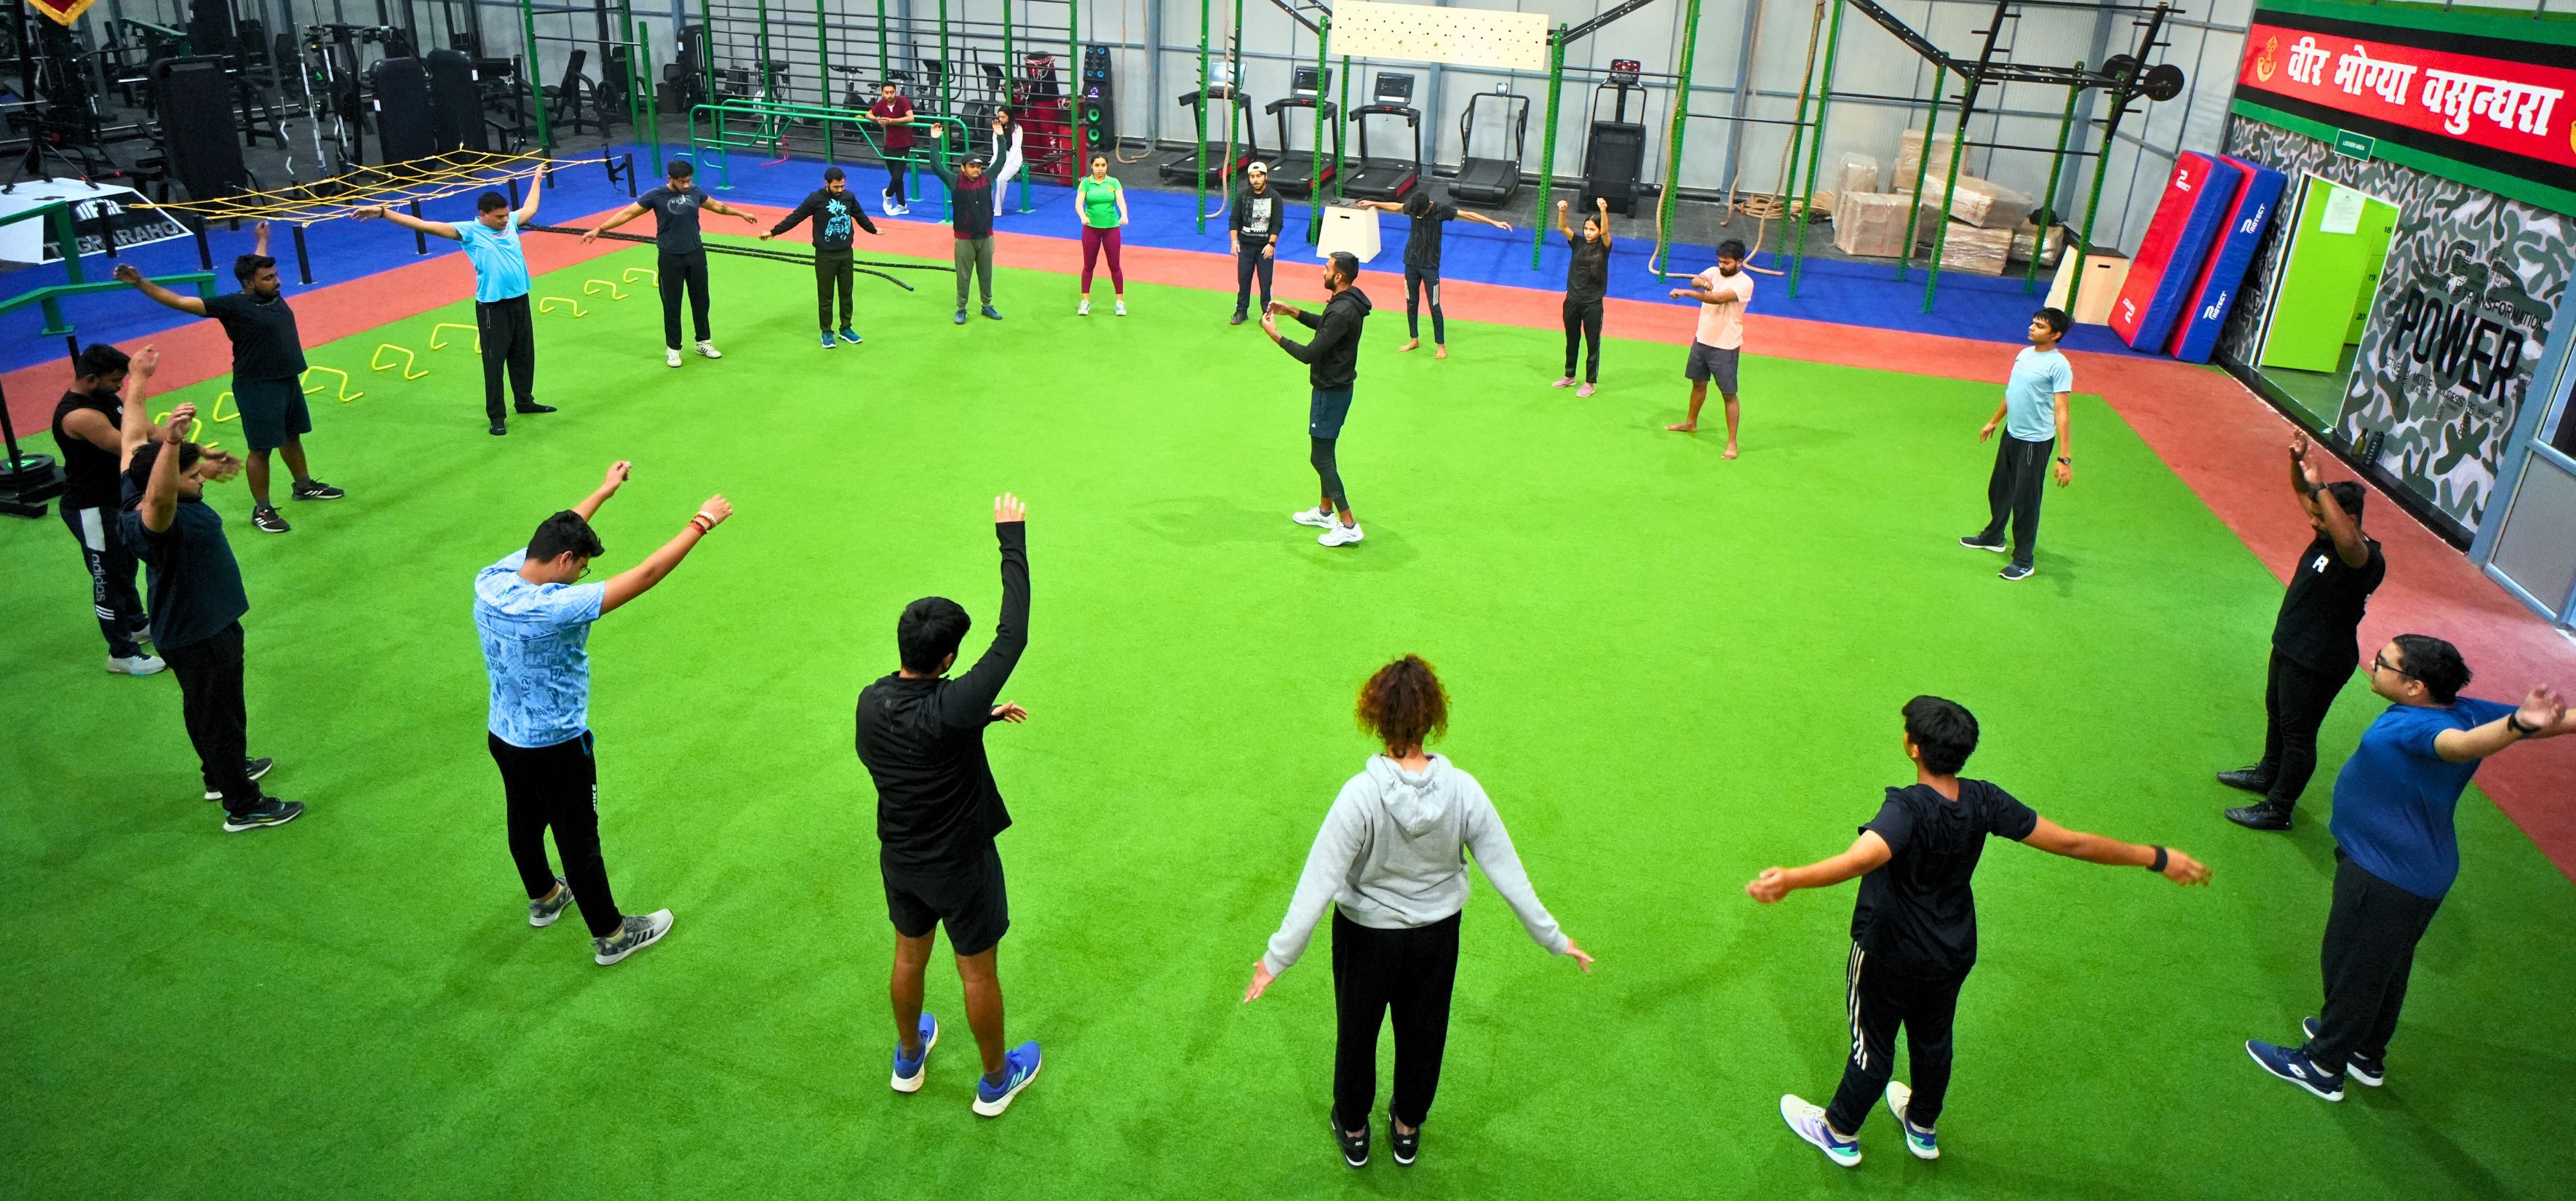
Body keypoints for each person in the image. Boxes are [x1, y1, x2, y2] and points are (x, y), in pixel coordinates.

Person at [1748, 695, 2210, 1168]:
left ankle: (1839, 1131)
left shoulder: (1906, 809)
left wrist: (1792, 879)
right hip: (1951, 951)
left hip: (1889, 952)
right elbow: (2072, 843)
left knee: (1873, 1045)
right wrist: (2157, 857)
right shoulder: (1985, 800)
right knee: (1933, 1040)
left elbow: (1858, 860)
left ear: (1913, 748)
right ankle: (1922, 1126)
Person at [1243, 654, 1594, 1170]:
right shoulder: (1464, 791)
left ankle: (1354, 1129)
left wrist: (1276, 960)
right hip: (1436, 938)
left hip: (1366, 938)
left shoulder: (1359, 797)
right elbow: (1508, 872)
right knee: (1425, 1033)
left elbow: (1316, 884)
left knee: (1357, 1034)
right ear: (1432, 718)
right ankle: (1407, 1128)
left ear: (1376, 718)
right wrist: (1554, 938)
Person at [2244, 637, 2572, 1103]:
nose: (2373, 664)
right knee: (2386, 966)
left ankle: (2321, 1065)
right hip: (2412, 873)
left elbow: (2460, 747)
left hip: (2386, 875)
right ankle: (2364, 1052)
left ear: (2416, 686)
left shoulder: (2427, 728)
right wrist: (2524, 723)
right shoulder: (2465, 709)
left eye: (2384, 663)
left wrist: (2518, 723)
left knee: (2353, 969)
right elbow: (2552, 722)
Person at [475, 461, 732, 967]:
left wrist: (604, 492)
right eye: (581, 566)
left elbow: (554, 534)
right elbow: (647, 574)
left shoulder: (493, 579)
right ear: (565, 560)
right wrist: (702, 522)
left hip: (504, 735)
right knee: (579, 842)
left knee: (523, 819)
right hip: (557, 747)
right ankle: (613, 936)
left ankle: (546, 897)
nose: (580, 576)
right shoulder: (556, 606)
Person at [855, 493, 1043, 1118]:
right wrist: (1012, 539)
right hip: (961, 866)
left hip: (901, 859)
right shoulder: (953, 706)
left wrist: (976, 720)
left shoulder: (871, 702)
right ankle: (995, 1081)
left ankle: (909, 1057)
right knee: (977, 973)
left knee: (909, 956)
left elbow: (918, 736)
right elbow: (1013, 636)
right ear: (948, 659)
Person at [121, 400, 306, 831]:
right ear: (165, 481)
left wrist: (140, 379)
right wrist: (171, 442)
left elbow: (130, 440)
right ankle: (243, 805)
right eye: (191, 476)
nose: (201, 478)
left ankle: (221, 774)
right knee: (220, 720)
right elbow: (161, 494)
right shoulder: (159, 518)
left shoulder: (133, 490)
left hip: (199, 628)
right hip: (200, 634)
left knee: (209, 711)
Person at [115, 226, 344, 534]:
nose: (276, 281)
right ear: (249, 283)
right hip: (257, 387)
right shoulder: (232, 306)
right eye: (269, 278)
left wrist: (262, 240)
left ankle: (303, 485)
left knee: (292, 437)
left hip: (287, 380)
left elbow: (258, 263)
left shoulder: (268, 290)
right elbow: (180, 301)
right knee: (261, 449)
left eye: (275, 275)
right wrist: (140, 282)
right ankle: (262, 509)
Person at [2217, 432, 2385, 831]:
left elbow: (2349, 544)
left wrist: (2321, 484)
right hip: (2291, 646)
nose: (2312, 521)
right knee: (2277, 715)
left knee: (2298, 734)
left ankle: (2279, 808)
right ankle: (2266, 774)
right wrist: (2299, 464)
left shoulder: (2363, 557)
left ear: (2349, 520)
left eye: (2321, 517)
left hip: (2319, 659)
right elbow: (2303, 495)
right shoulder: (2326, 535)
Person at [354, 183, 558, 436]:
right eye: (499, 217)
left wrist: (537, 178)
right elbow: (424, 225)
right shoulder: (468, 231)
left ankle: (525, 402)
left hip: (520, 300)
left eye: (506, 215)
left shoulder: (511, 222)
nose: (505, 220)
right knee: (494, 363)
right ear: (483, 214)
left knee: (524, 355)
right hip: (492, 307)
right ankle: (497, 415)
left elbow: (530, 207)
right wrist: (384, 212)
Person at [581, 159, 760, 369]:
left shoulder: (695, 192)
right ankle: (673, 349)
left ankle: (703, 342)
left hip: (696, 254)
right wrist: (600, 229)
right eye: (682, 182)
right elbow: (627, 214)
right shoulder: (656, 196)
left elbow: (717, 206)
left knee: (701, 301)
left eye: (689, 181)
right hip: (670, 258)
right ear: (671, 179)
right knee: (672, 304)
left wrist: (742, 214)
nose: (686, 185)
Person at [50, 342, 160, 674]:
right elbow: (129, 447)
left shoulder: (106, 398)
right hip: (91, 509)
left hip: (115, 501)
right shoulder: (80, 415)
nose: (120, 385)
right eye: (115, 380)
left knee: (125, 566)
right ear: (91, 380)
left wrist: (183, 441)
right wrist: (171, 451)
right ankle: (121, 653)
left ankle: (136, 624)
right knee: (107, 579)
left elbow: (142, 427)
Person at [1261, 251, 1374, 547]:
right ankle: (1325, 512)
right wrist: (1292, 311)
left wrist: (1274, 335)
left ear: (1339, 276)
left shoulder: (1341, 311)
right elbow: (1326, 326)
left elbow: (1309, 353)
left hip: (1330, 392)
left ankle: (1348, 524)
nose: (1323, 272)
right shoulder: (1347, 302)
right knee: (1327, 453)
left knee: (1320, 458)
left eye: (1327, 268)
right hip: (1336, 388)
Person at [1958, 308, 2075, 582]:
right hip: (2012, 434)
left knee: (2025, 501)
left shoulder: (2059, 366)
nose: (2032, 328)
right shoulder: (2024, 354)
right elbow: (2013, 392)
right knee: (2000, 488)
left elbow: (2062, 412)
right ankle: (1994, 536)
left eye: (2040, 326)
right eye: (2033, 323)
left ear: (2055, 335)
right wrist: (1994, 421)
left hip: (2035, 442)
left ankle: (2024, 560)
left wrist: (2064, 458)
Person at [1356, 191, 1509, 358]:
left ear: (1428, 206)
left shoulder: (1441, 210)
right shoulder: (1414, 206)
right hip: (1411, 263)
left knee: (1434, 306)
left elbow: (1467, 214)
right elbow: (1397, 206)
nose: (1418, 216)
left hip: (1430, 266)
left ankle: (1441, 345)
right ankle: (1414, 339)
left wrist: (1494, 222)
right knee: (1411, 303)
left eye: (1420, 214)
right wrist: (1373, 203)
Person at [760, 165, 883, 349]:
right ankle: (826, 332)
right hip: (825, 256)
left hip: (846, 254)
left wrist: (872, 229)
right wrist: (773, 232)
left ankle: (846, 328)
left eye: (842, 186)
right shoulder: (815, 199)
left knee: (846, 293)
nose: (840, 190)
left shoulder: (849, 197)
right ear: (826, 183)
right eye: (836, 187)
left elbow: (860, 216)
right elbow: (796, 217)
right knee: (826, 296)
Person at [1663, 239, 1754, 456]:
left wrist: (1686, 293)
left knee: (1729, 395)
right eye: (1720, 261)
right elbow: (1696, 280)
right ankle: (1691, 423)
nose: (1722, 265)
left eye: (1727, 262)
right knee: (1698, 384)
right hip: (1702, 340)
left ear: (1739, 262)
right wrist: (1701, 282)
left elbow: (1717, 299)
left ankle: (1732, 442)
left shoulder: (1745, 283)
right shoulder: (1714, 271)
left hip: (1725, 346)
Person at [925, 124, 1002, 325]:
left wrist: (1000, 137)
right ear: (963, 168)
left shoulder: (987, 178)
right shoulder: (954, 181)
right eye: (972, 166)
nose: (976, 169)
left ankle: (987, 305)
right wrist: (935, 140)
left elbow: (1001, 161)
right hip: (964, 239)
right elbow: (936, 165)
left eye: (978, 166)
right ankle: (961, 308)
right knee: (963, 275)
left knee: (986, 274)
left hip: (987, 237)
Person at [1554, 197, 1613, 397]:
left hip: (1592, 304)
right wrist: (1563, 210)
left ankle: (1589, 382)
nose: (1588, 232)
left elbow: (1605, 232)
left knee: (1592, 343)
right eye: (1586, 228)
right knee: (1572, 339)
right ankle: (1569, 375)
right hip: (1572, 301)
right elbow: (1563, 227)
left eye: (1592, 229)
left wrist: (1603, 210)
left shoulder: (1604, 247)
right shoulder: (1577, 243)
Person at [1073, 154, 1129, 317]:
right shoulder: (1086, 183)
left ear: (1107, 166)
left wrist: (1124, 215)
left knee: (1115, 265)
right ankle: (1085, 302)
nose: (1100, 169)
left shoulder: (1114, 182)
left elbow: (1120, 200)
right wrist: (1083, 216)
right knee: (1089, 265)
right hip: (1091, 229)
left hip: (1111, 228)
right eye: (1097, 165)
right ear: (1092, 166)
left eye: (1103, 165)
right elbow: (1078, 203)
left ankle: (1119, 302)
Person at [1229, 160, 1280, 325]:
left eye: (1258, 176)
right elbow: (1234, 220)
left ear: (1266, 177)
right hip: (1246, 247)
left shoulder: (1274, 197)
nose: (1255, 180)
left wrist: (1271, 244)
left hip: (1265, 248)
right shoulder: (1242, 196)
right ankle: (1241, 311)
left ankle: (1267, 314)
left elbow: (1277, 223)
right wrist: (1234, 242)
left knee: (1266, 283)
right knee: (1243, 280)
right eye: (1252, 176)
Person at [868, 82, 919, 215]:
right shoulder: (881, 104)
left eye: (892, 92)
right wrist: (877, 120)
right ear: (882, 93)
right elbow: (869, 114)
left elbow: (911, 118)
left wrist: (891, 121)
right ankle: (902, 205)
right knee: (897, 178)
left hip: (904, 145)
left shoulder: (903, 101)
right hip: (889, 145)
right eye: (887, 93)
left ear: (896, 92)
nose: (890, 95)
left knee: (897, 177)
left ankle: (888, 194)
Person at [987, 108, 1024, 220]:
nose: (1001, 119)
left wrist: (1004, 163)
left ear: (1009, 117)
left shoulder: (1017, 129)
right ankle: (987, 205)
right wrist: (997, 162)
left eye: (1004, 117)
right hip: (999, 156)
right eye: (1000, 117)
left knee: (1001, 179)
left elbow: (1016, 148)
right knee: (987, 178)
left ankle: (998, 209)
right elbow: (995, 147)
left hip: (1013, 159)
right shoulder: (997, 127)